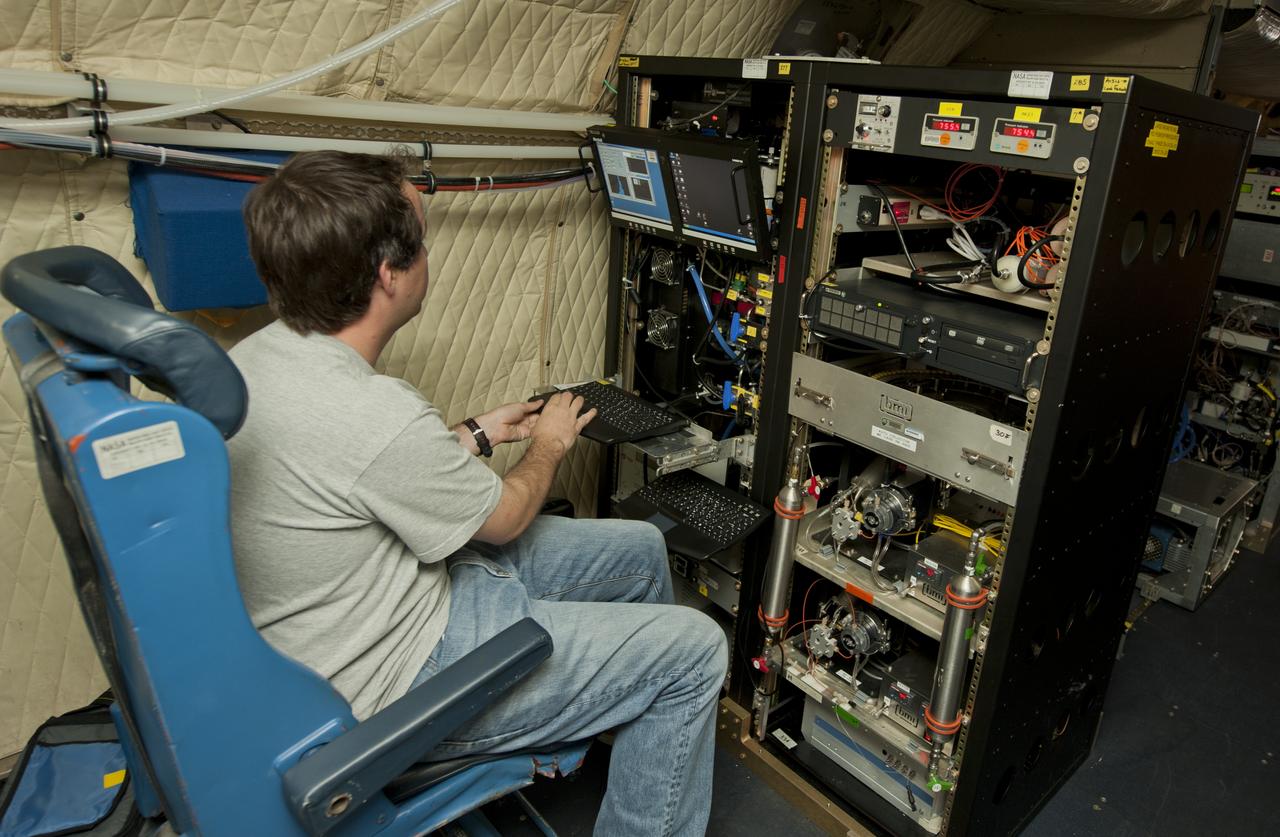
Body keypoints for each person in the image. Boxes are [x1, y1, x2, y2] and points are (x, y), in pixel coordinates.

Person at [228, 150, 727, 836]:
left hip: (379, 606)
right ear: (388, 275)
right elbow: (506, 516)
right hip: (397, 684)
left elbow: (363, 473)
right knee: (695, 651)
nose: (428, 255)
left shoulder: (255, 359)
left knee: (641, 549)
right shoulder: (372, 411)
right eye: (422, 241)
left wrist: (479, 433)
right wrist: (550, 441)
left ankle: (627, 726)